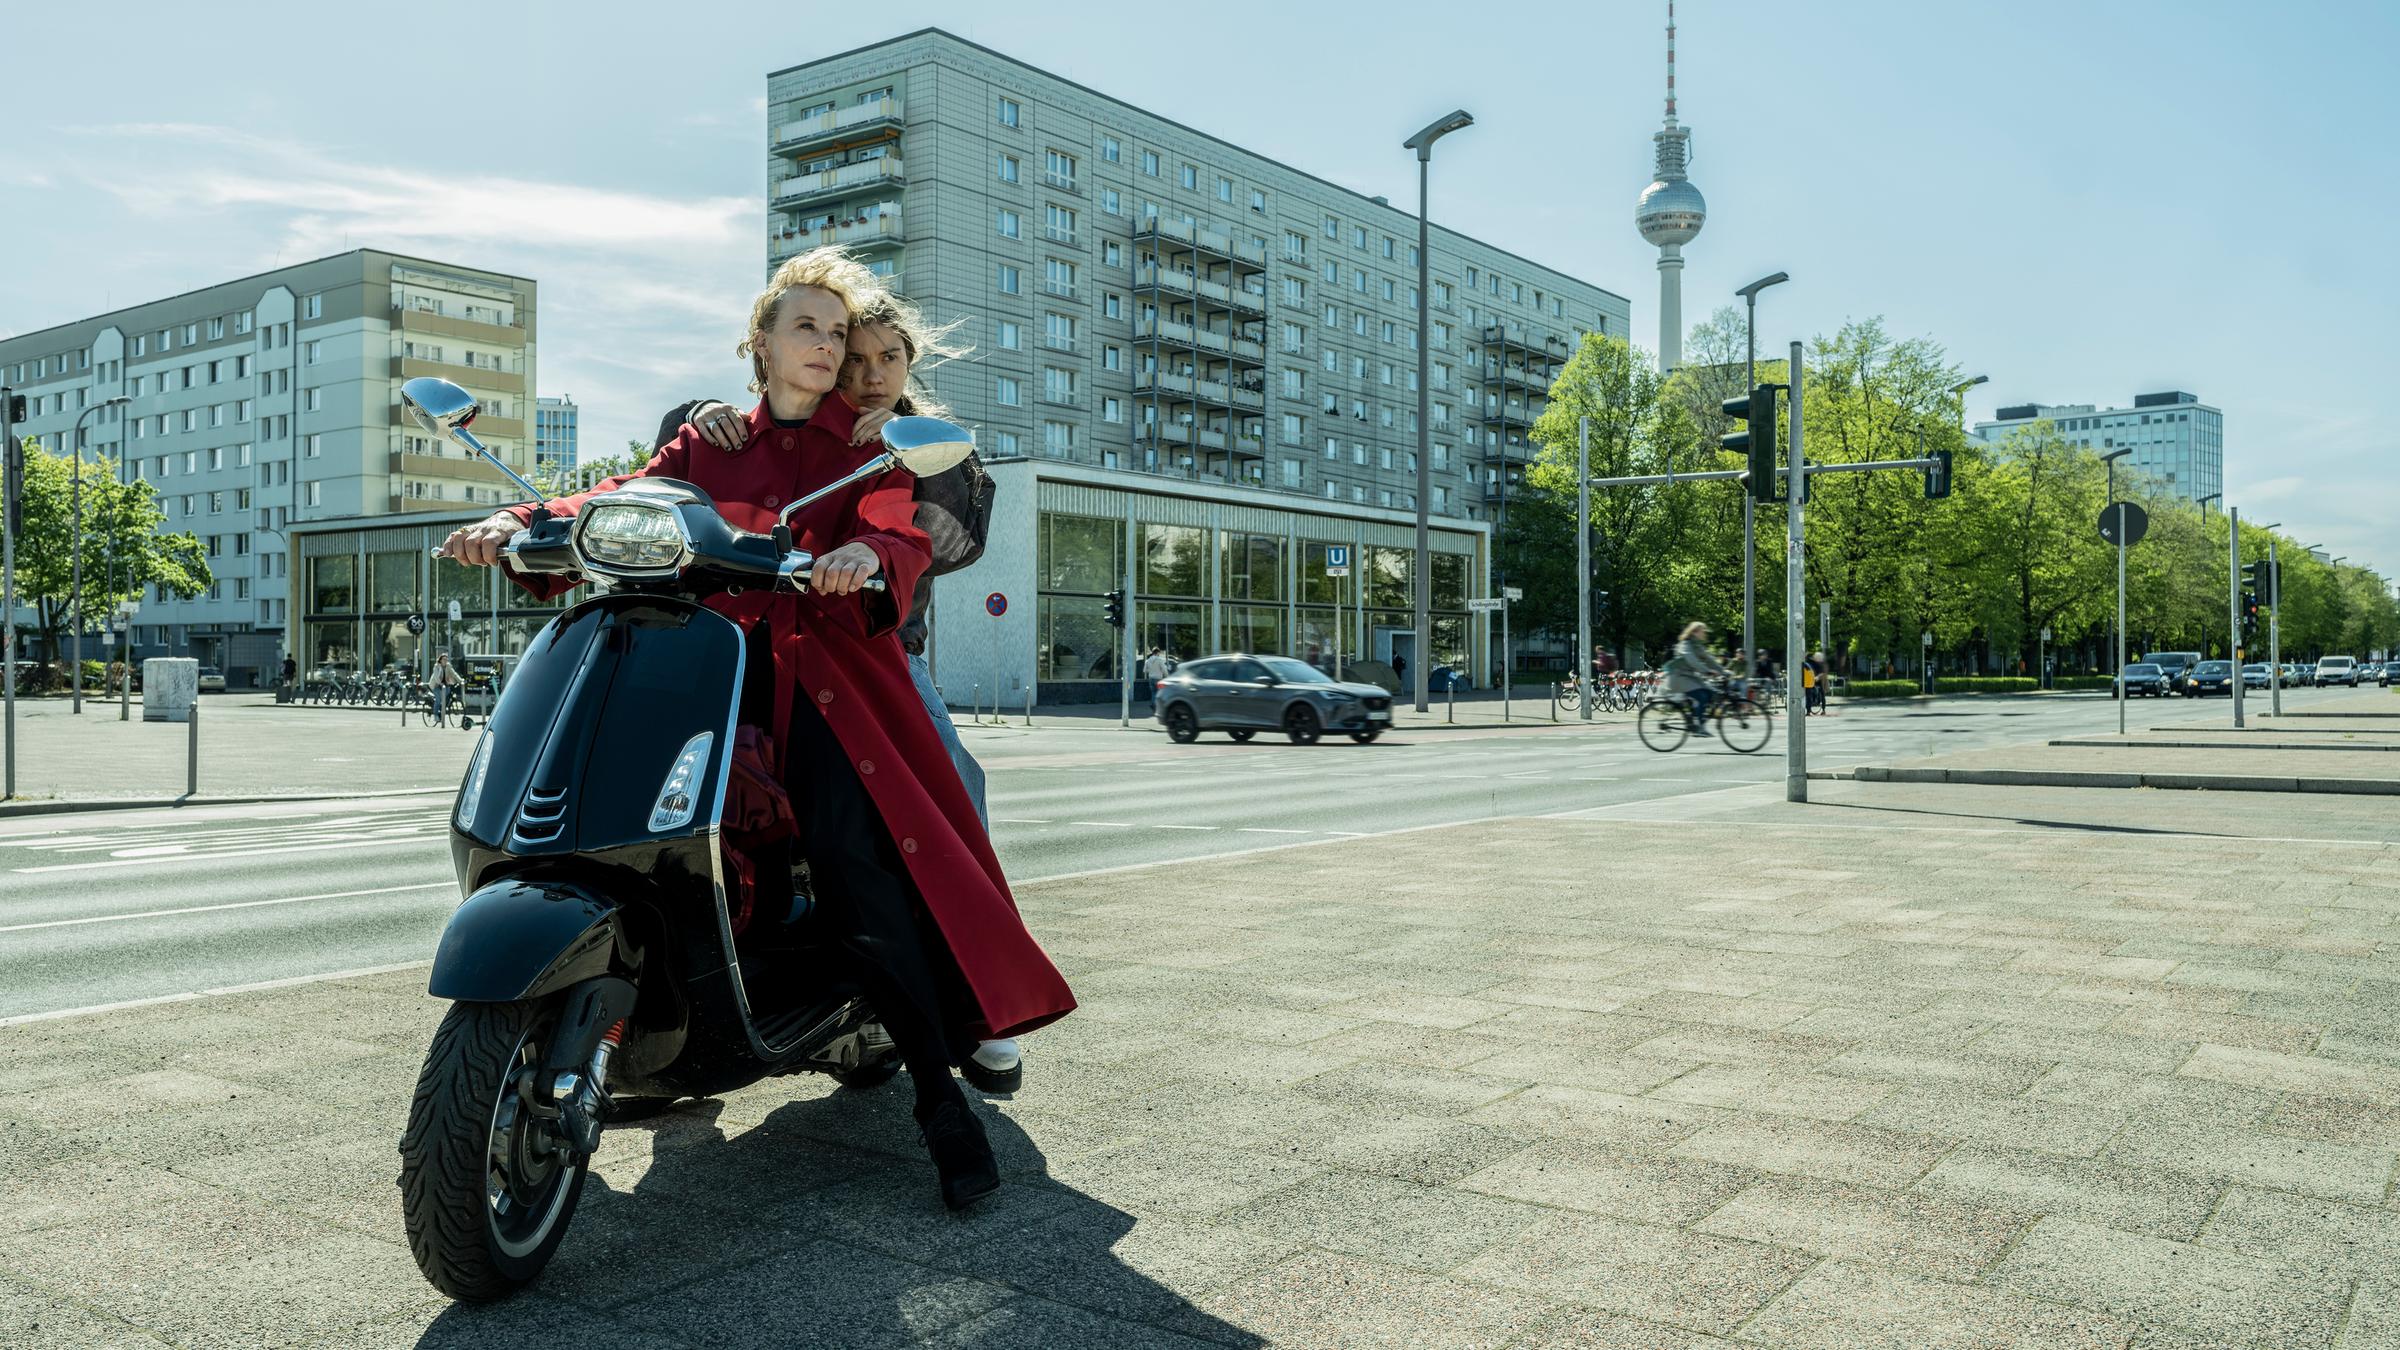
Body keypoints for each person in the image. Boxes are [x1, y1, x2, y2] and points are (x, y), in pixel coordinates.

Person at [439, 247, 1074, 1212]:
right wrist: (517, 519)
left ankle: (941, 1101)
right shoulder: (708, 444)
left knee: (858, 867)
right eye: (804, 327)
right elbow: (619, 498)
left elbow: (898, 529)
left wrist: (868, 553)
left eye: (836, 330)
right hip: (700, 672)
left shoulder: (868, 448)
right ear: (760, 343)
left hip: (816, 683)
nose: (825, 344)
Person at [669, 296, 1027, 1096]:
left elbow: (944, 534)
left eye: (885, 358)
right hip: (750, 646)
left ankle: (980, 988)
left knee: (950, 782)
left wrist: (897, 451)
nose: (866, 374)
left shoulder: (915, 444)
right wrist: (701, 413)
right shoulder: (801, 428)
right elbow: (720, 461)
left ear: (910, 366)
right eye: (851, 356)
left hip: (879, 653)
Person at [1665, 621, 1730, 734]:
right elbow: (1692, 660)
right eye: (1702, 631)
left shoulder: (1697, 645)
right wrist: (1707, 671)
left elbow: (1709, 660)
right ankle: (1698, 726)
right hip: (1677, 677)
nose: (1705, 633)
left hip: (1688, 677)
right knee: (1702, 696)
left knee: (1710, 693)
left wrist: (1724, 671)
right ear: (1694, 632)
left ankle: (1694, 719)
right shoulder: (1685, 644)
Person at [430, 653, 461, 718]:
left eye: (446, 659)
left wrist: (460, 680)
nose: (445, 661)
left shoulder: (448, 666)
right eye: (444, 659)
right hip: (436, 685)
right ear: (440, 660)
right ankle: (435, 715)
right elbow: (436, 677)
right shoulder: (436, 666)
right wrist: (440, 683)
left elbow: (454, 674)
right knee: (438, 699)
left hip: (445, 685)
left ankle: (442, 709)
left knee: (447, 696)